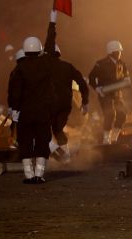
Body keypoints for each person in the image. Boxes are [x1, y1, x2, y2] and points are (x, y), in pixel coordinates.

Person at [8, 34, 56, 184]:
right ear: (39, 50)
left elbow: (15, 92)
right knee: (43, 141)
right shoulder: (46, 65)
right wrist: (52, 26)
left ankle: (29, 176)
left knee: (25, 142)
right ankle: (39, 175)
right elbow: (50, 47)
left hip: (26, 112)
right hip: (43, 111)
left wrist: (14, 109)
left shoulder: (19, 69)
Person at [44, 10, 89, 163]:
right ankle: (66, 158)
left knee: (43, 128)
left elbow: (49, 41)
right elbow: (82, 82)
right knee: (58, 130)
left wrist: (52, 22)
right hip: (65, 105)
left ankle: (55, 151)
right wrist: (85, 102)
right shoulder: (68, 67)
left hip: (50, 104)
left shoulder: (45, 66)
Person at [88, 40, 129, 144]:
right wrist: (97, 88)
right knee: (110, 114)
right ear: (111, 52)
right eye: (118, 51)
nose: (120, 53)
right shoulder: (100, 64)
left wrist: (126, 80)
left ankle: (114, 137)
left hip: (117, 94)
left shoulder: (121, 63)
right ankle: (106, 139)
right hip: (105, 94)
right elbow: (91, 77)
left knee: (123, 114)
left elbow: (126, 76)